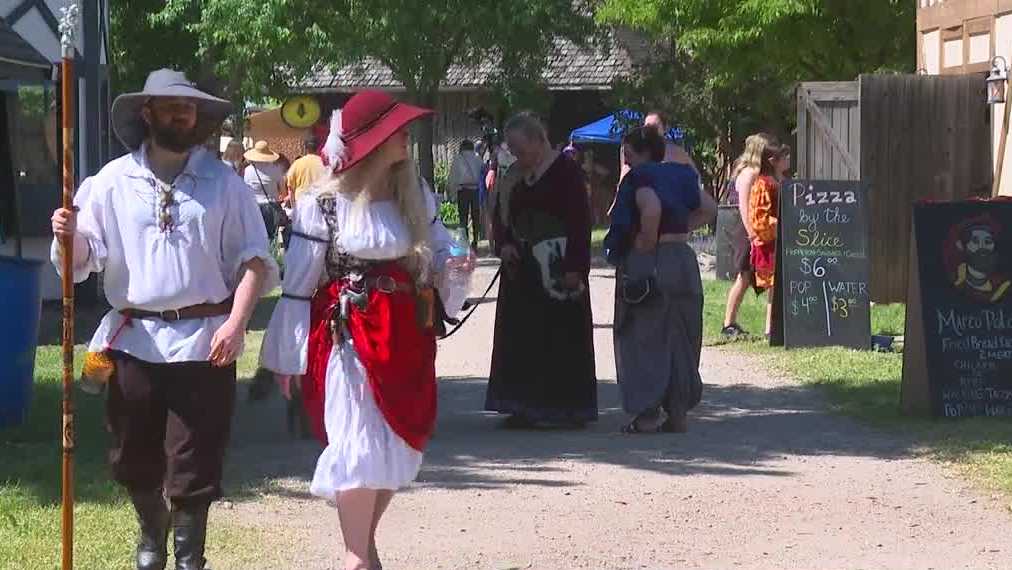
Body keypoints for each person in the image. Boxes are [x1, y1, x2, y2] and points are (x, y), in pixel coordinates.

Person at [49, 69, 278, 570]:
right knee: (134, 455)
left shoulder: (224, 186)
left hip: (204, 340)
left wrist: (237, 323)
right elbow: (85, 257)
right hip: (133, 342)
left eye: (189, 107)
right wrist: (69, 236)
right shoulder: (110, 183)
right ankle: (152, 532)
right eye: (171, 107)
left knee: (195, 462)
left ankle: (189, 559)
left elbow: (256, 261)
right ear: (147, 113)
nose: (182, 115)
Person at [260, 90, 465, 570]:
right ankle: (357, 559)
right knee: (356, 443)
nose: (407, 138)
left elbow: (440, 251)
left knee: (394, 444)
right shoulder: (322, 205)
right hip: (348, 339)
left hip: (404, 340)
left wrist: (454, 262)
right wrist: (287, 356)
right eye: (398, 131)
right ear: (373, 141)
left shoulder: (414, 196)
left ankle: (364, 555)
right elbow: (298, 285)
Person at [486, 112, 597, 428]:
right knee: (523, 338)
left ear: (539, 140)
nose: (519, 157)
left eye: (523, 149)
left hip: (557, 267)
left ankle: (563, 408)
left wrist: (576, 267)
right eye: (514, 151)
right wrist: (504, 243)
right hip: (522, 270)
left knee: (558, 337)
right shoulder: (514, 177)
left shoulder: (566, 172)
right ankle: (523, 406)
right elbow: (501, 214)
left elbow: (580, 221)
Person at [605, 127, 716, 433]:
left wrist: (645, 241)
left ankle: (647, 414)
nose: (626, 162)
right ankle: (678, 413)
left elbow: (650, 207)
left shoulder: (640, 178)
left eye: (629, 155)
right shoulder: (681, 176)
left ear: (643, 154)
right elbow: (709, 208)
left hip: (652, 259)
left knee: (644, 336)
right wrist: (680, 230)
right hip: (682, 257)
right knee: (682, 337)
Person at [721, 133, 778, 338]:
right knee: (744, 276)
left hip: (749, 229)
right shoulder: (749, 173)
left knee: (748, 276)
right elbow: (745, 207)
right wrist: (753, 235)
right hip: (744, 228)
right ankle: (728, 323)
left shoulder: (755, 172)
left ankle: (737, 322)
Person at [748, 142, 791, 338]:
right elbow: (759, 217)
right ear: (773, 161)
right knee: (774, 287)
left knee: (782, 286)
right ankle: (770, 328)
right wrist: (781, 226)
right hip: (771, 243)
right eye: (785, 156)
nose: (789, 160)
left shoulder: (783, 181)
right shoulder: (763, 184)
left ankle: (781, 326)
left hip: (785, 241)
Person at [243, 140, 286, 241]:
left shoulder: (248, 170)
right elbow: (283, 192)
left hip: (254, 207)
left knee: (255, 239)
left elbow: (246, 190)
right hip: (271, 207)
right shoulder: (276, 170)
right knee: (272, 238)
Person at [448, 139, 485, 248]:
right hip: (475, 190)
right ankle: (476, 240)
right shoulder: (477, 158)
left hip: (462, 190)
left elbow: (453, 177)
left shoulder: (458, 158)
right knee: (476, 216)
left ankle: (465, 241)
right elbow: (482, 172)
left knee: (463, 217)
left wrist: (452, 193)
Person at [285, 134, 326, 203]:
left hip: (302, 203)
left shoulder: (297, 164)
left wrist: (294, 207)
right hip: (320, 202)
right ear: (318, 147)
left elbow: (291, 189)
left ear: (305, 148)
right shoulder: (324, 163)